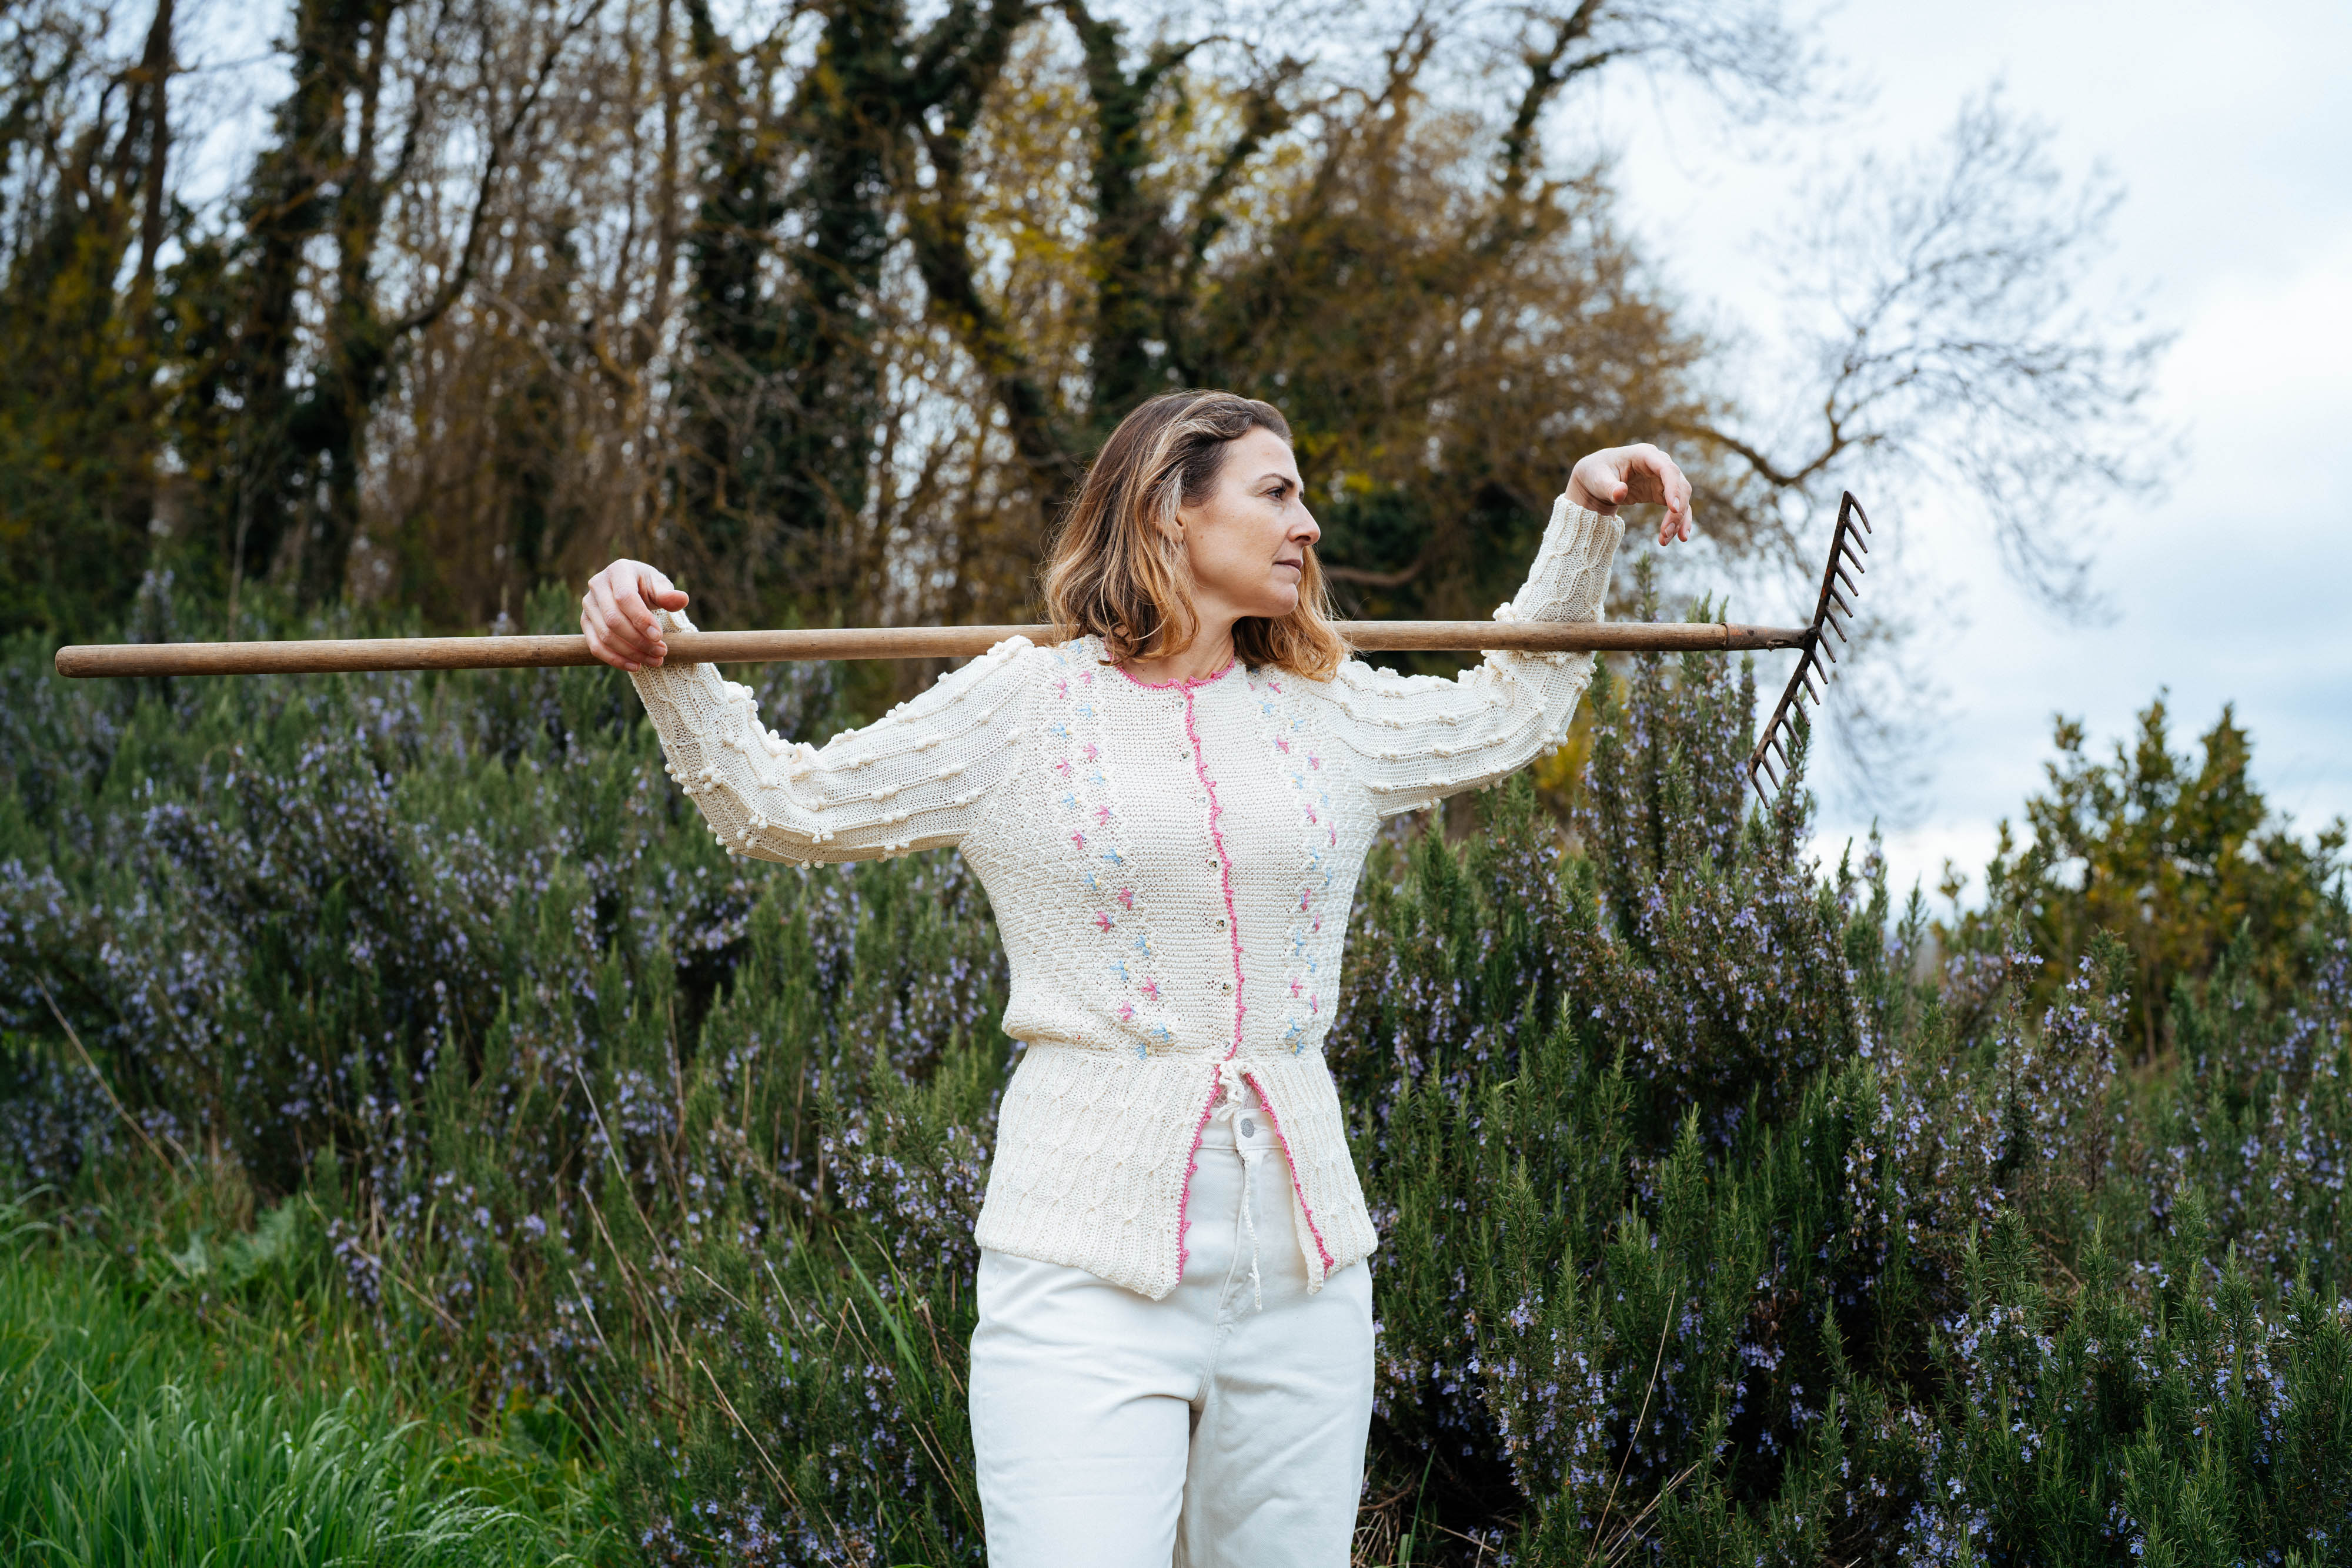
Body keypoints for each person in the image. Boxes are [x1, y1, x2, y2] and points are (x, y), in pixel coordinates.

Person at [580, 390, 1694, 1566]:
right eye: (1276, 492)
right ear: (1169, 508)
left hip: (1305, 1279)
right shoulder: (1020, 705)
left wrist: (1580, 515)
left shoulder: (1329, 713)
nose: (1307, 523)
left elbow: (1514, 708)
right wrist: (663, 656)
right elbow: (775, 804)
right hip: (1078, 1272)